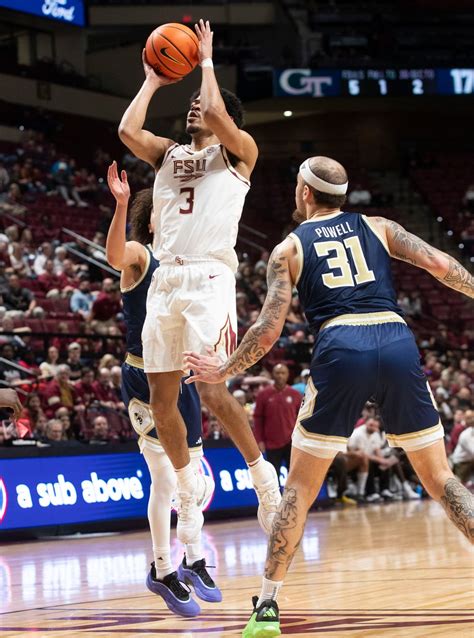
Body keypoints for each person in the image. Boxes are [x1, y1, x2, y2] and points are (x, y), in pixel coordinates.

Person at [184, 154, 474, 637]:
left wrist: (226, 368)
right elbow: (442, 265)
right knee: (441, 477)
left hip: (342, 344)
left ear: (303, 193)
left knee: (299, 487)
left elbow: (267, 330)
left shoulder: (289, 248)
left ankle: (268, 607)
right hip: (396, 338)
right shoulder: (380, 226)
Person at [118, 19, 280, 544]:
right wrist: (152, 81)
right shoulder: (168, 153)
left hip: (210, 277)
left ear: (230, 120)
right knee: (162, 399)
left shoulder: (239, 154)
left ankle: (263, 479)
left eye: (202, 103)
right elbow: (126, 131)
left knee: (210, 390)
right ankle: (189, 498)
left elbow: (213, 109)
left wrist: (207, 60)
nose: (194, 107)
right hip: (166, 279)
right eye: (187, 101)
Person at [105, 161, 221, 617]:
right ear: (153, 219)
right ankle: (162, 568)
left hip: (183, 376)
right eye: (165, 208)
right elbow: (116, 255)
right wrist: (119, 205)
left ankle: (193, 559)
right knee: (166, 478)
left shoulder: (188, 264)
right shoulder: (140, 254)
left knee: (192, 475)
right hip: (145, 376)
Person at [253, 364, 301, 478]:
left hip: (291, 442)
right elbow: (258, 419)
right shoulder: (263, 395)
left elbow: (301, 419)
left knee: (294, 475)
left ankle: (292, 496)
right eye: (277, 373)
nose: (280, 376)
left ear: (288, 375)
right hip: (271, 443)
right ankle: (276, 496)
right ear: (272, 375)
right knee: (273, 476)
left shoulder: (295, 394)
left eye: (283, 373)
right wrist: (259, 440)